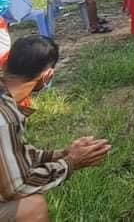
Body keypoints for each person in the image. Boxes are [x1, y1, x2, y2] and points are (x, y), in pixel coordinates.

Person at [0, 36, 111, 221]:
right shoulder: (6, 117)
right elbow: (18, 187)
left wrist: (62, 154)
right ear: (47, 75)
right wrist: (71, 162)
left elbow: (9, 158)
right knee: (32, 207)